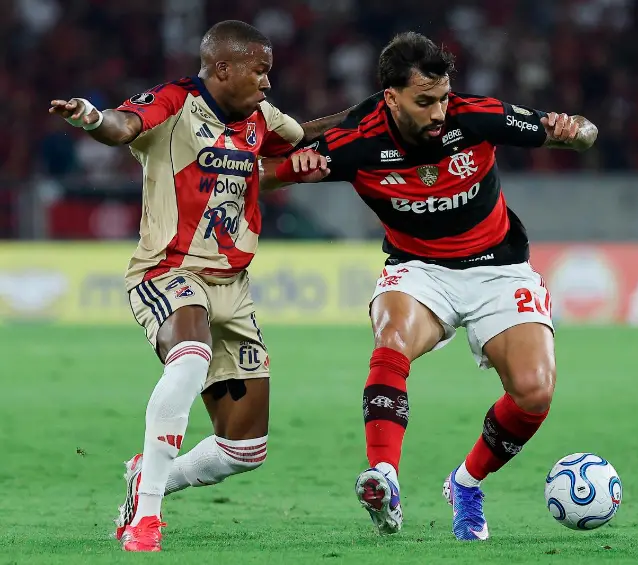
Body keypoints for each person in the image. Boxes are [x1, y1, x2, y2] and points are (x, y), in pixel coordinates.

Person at [263, 32, 598, 541]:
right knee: (392, 339)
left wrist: (573, 130)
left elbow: (585, 134)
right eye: (425, 102)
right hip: (419, 269)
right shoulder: (355, 141)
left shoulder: (477, 115)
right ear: (391, 98)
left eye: (443, 97)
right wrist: (294, 168)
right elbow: (260, 174)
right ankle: (385, 477)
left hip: (498, 267)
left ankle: (465, 484)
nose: (439, 111)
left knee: (535, 392)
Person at [49, 20, 338, 552]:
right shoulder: (174, 102)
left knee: (244, 450)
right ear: (223, 68)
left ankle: (150, 476)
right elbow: (121, 126)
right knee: (189, 357)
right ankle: (145, 520)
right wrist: (89, 116)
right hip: (169, 271)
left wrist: (376, 114)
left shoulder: (261, 118)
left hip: (234, 287)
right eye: (260, 71)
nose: (267, 82)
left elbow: (302, 139)